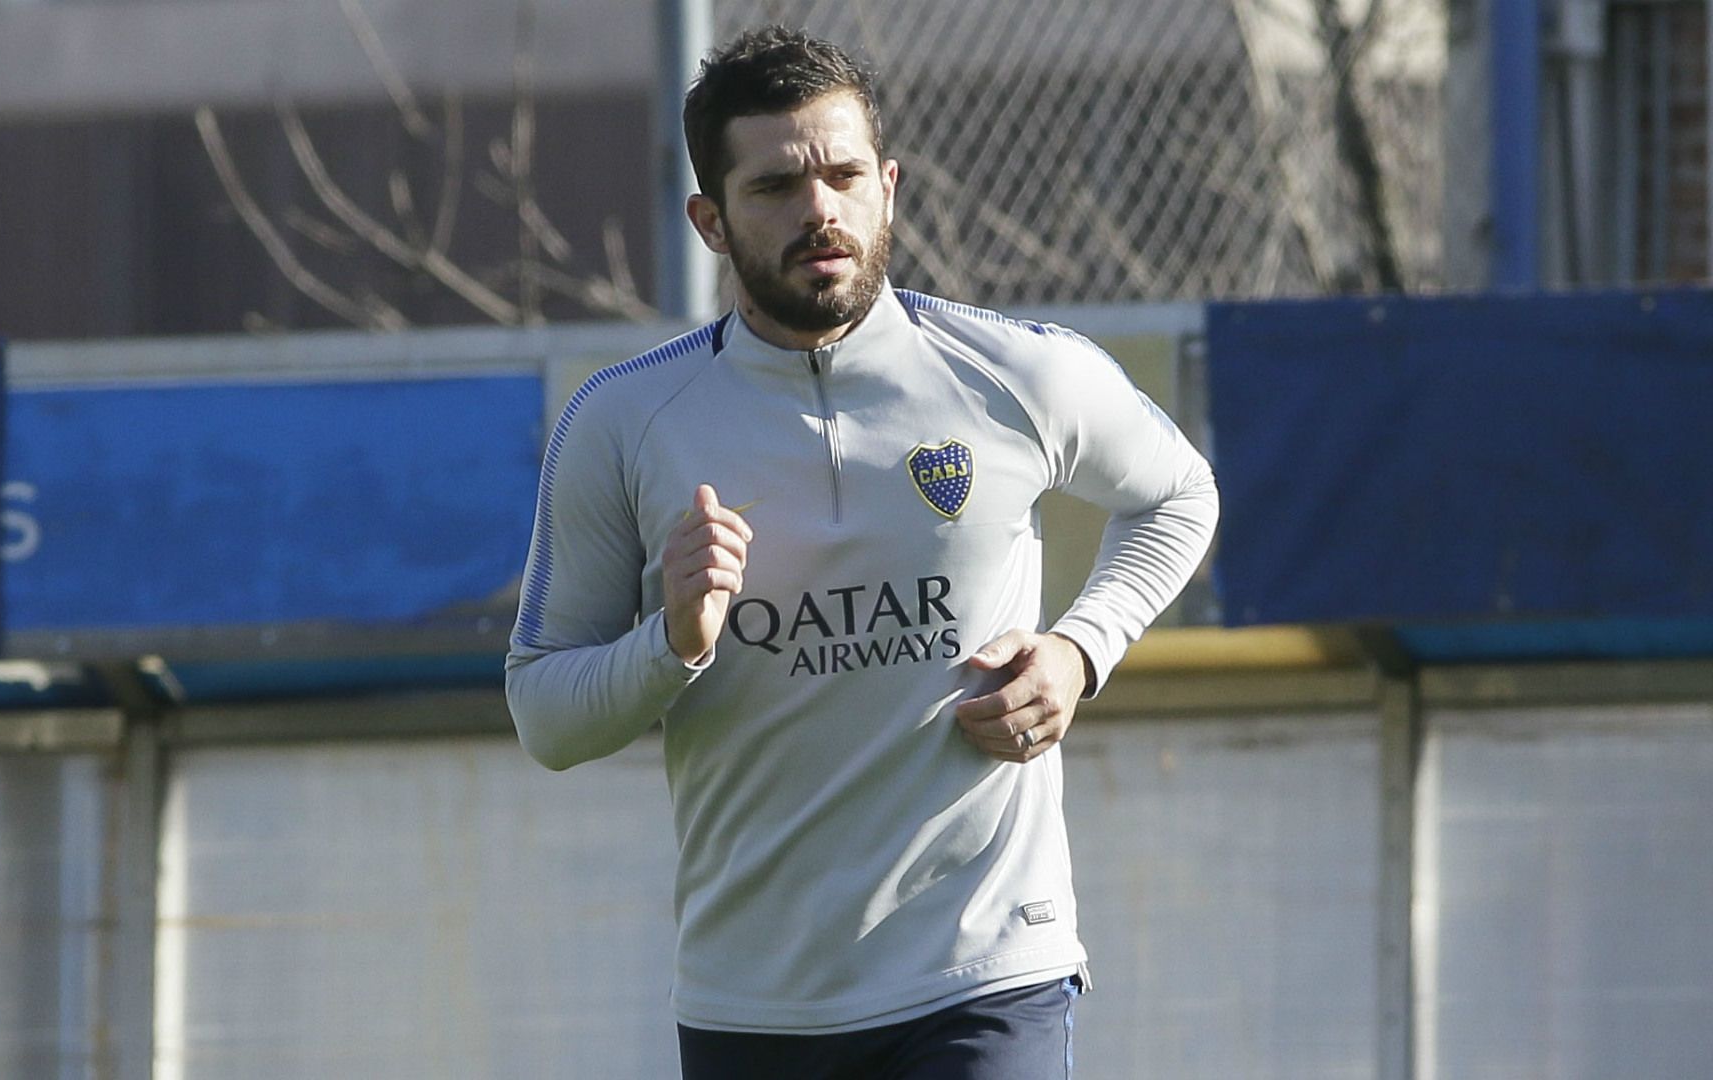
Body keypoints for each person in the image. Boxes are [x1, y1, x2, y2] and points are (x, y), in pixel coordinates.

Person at [505, 24, 1218, 1079]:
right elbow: (545, 717)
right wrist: (672, 641)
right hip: (756, 1004)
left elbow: (1179, 493)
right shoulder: (624, 423)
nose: (819, 211)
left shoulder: (1013, 371)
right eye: (776, 188)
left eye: (843, 175)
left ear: (888, 186)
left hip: (985, 974)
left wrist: (1079, 651)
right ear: (709, 220)